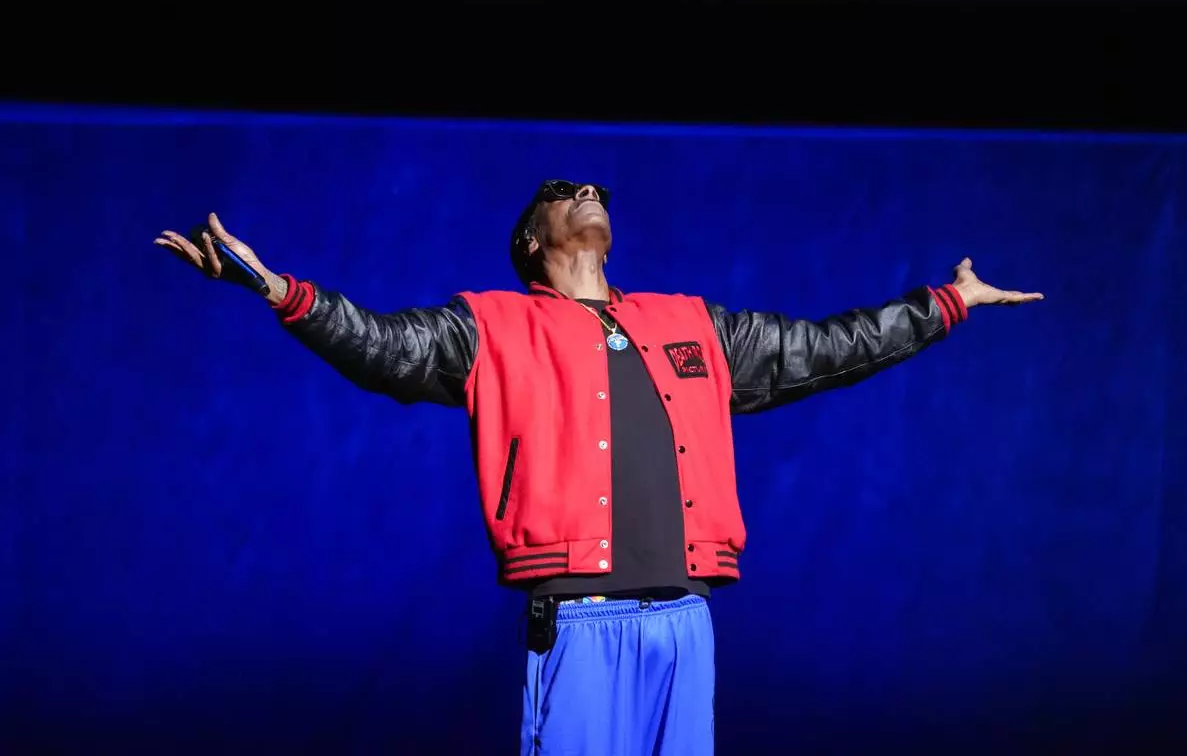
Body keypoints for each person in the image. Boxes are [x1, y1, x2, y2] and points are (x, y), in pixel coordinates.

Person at [155, 179, 1043, 756]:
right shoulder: (492, 328)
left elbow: (828, 346)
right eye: (561, 193)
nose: (586, 192)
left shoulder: (692, 321)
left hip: (686, 627)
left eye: (594, 191)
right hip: (581, 625)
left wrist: (946, 304)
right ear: (532, 241)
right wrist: (279, 291)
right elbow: (381, 346)